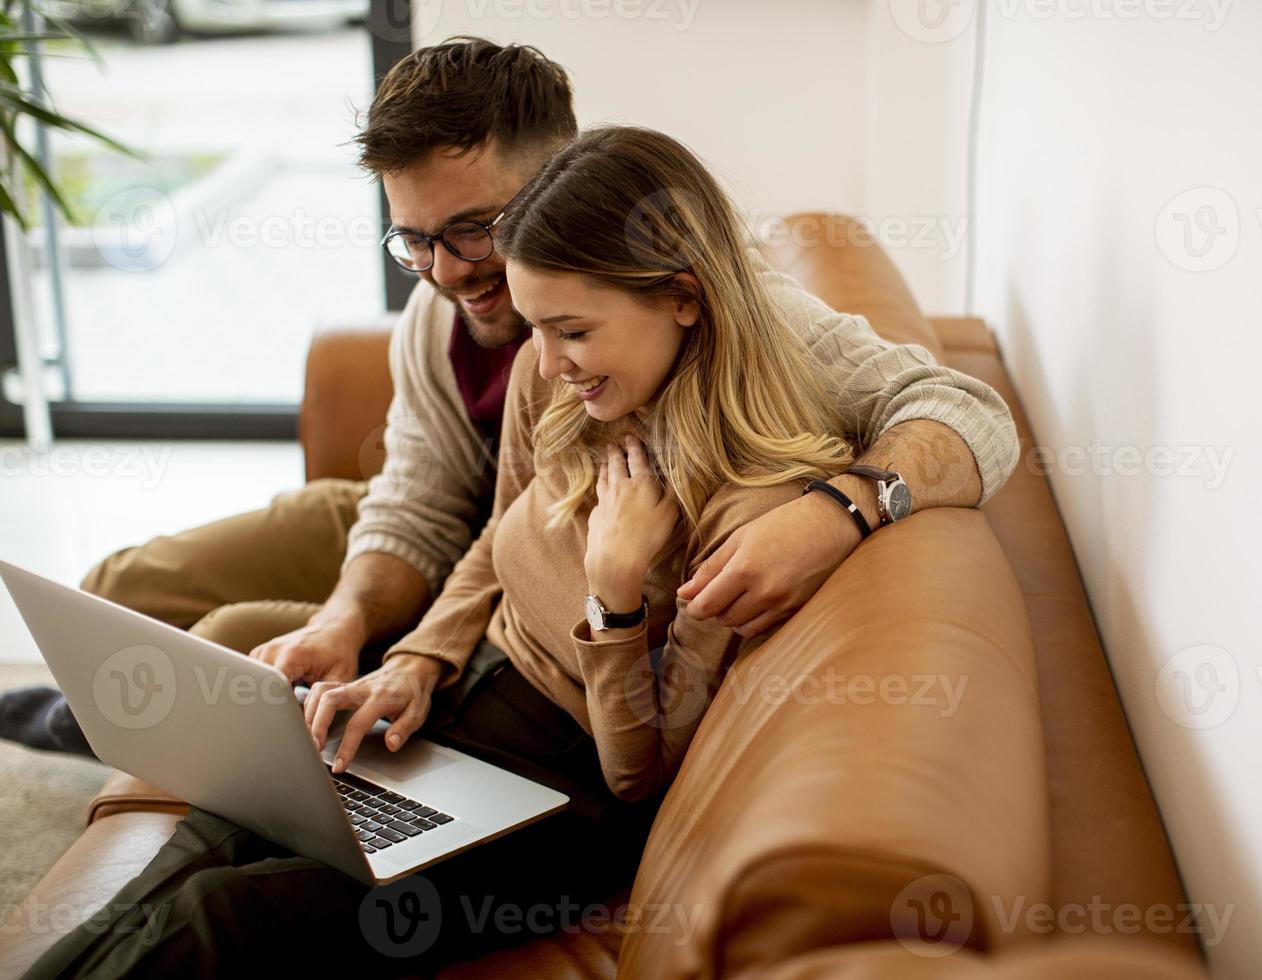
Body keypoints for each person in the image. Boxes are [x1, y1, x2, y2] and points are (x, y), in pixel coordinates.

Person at [23, 123, 965, 976]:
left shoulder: (745, 506)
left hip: (560, 801)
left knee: (219, 919)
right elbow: (492, 539)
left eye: (572, 330)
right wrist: (419, 664)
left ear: (684, 297)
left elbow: (637, 774)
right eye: (539, 326)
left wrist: (616, 597)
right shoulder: (557, 381)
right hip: (464, 705)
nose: (545, 360)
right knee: (217, 822)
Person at [1, 37, 1017, 758]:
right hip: (464, 540)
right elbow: (419, 500)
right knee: (124, 581)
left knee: (229, 646)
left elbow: (970, 413)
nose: (445, 269)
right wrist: (353, 617)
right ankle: (90, 723)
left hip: (548, 571)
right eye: (415, 238)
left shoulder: (716, 304)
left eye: (474, 228)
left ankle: (119, 736)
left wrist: (841, 507)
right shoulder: (432, 319)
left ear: (558, 179)